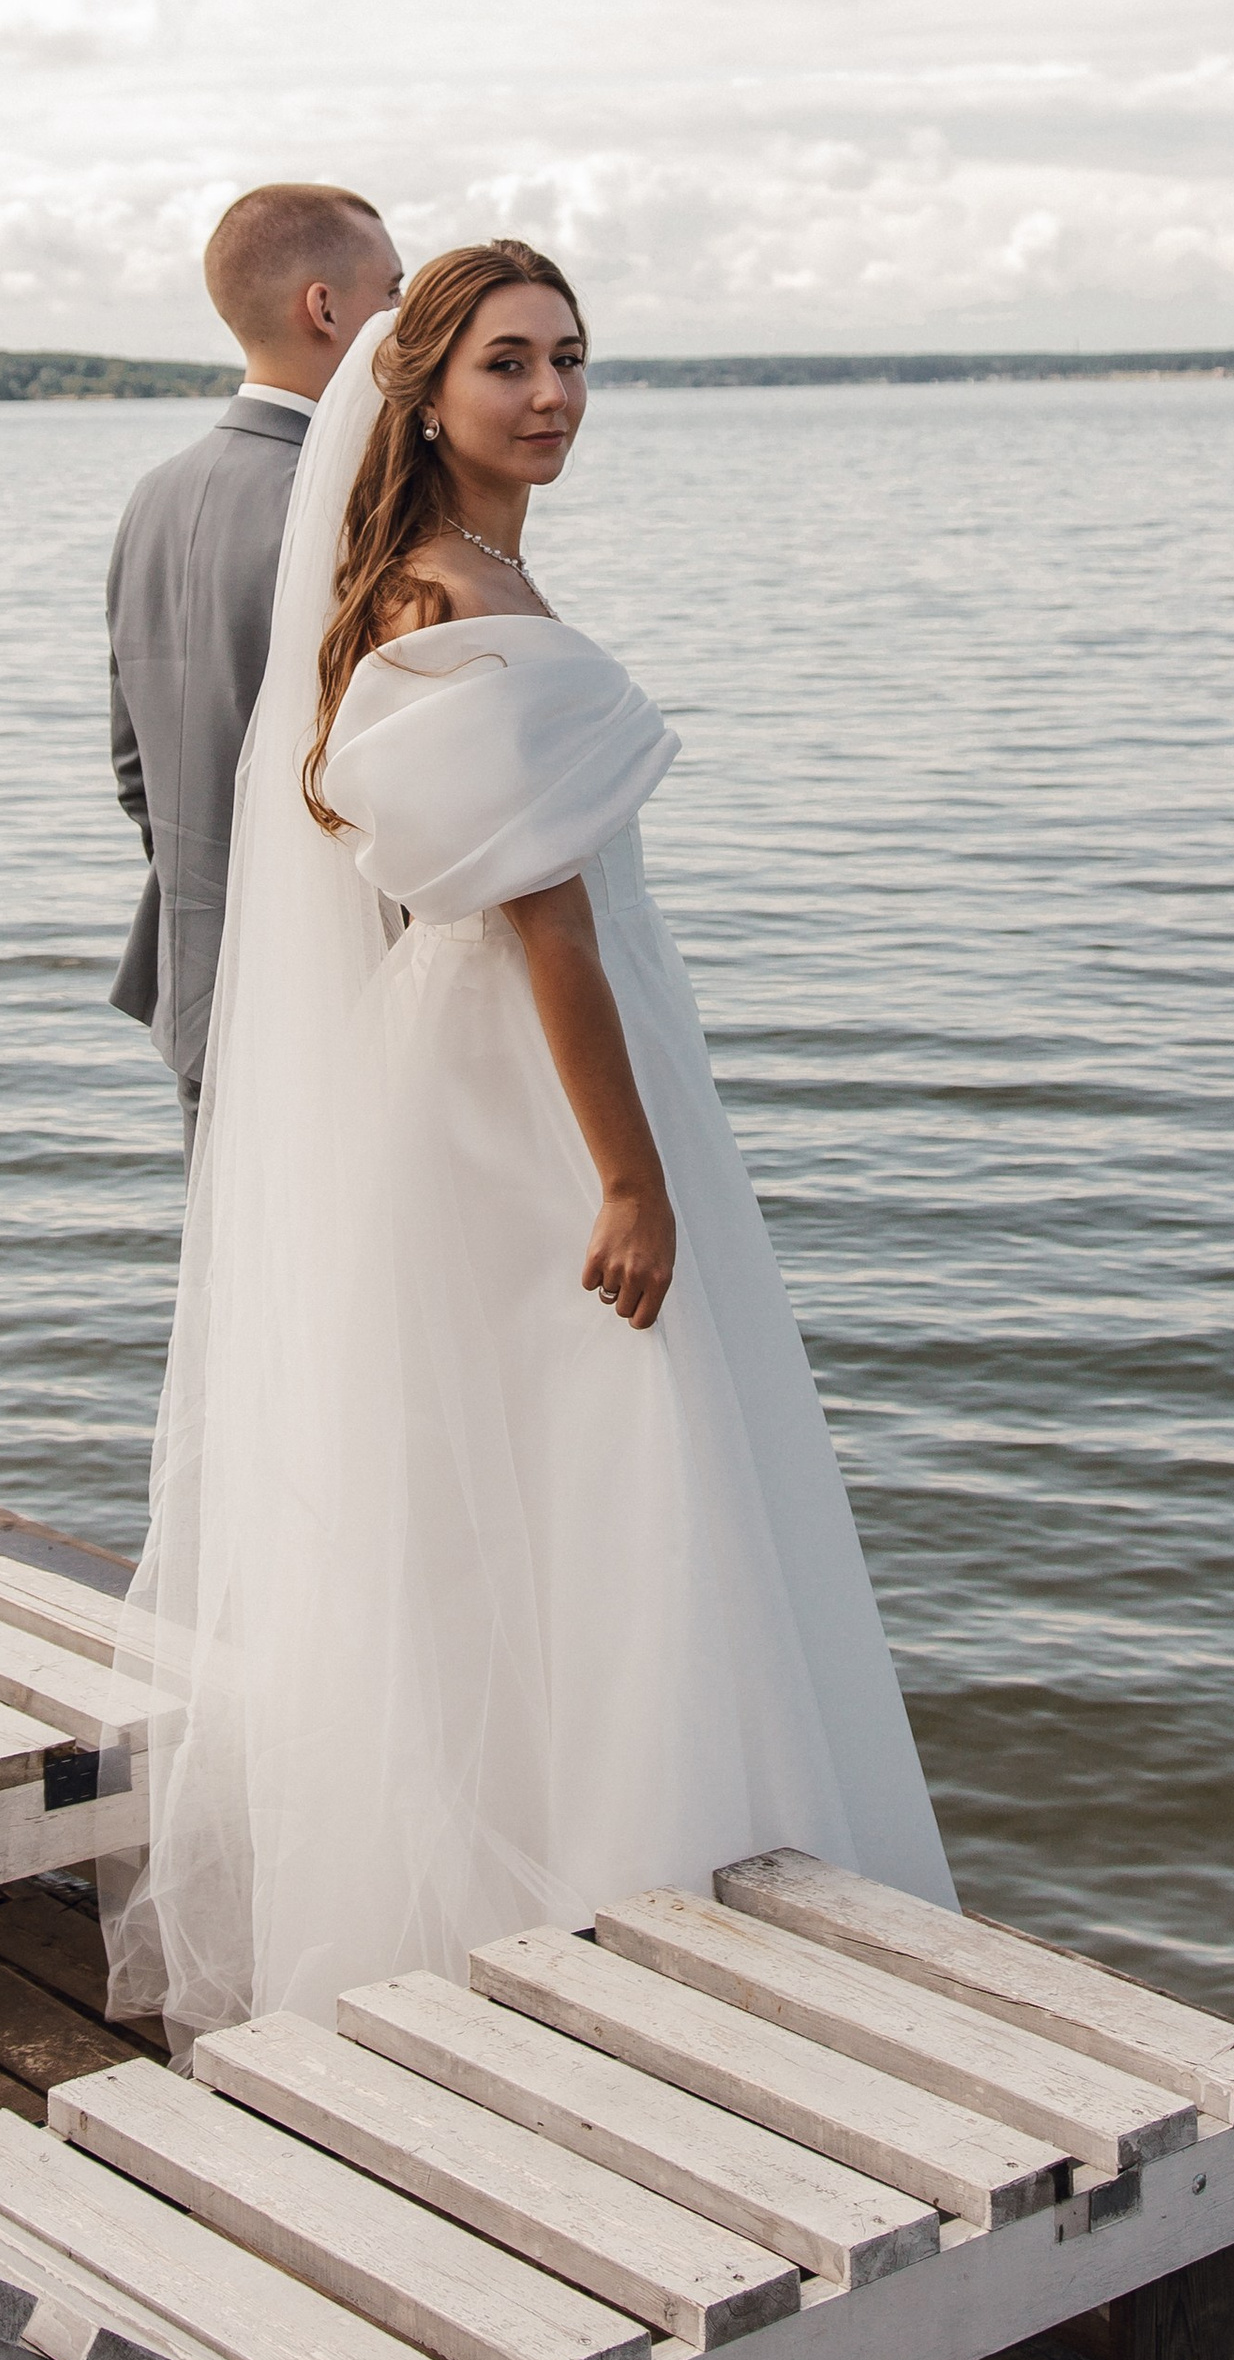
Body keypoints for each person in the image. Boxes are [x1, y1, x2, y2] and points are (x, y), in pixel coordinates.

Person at [108, 238, 951, 2040]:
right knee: (599, 1445)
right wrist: (631, 1177)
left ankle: (585, 1866)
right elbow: (544, 918)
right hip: (523, 1090)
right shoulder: (436, 597)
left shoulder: (463, 569)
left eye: (573, 356)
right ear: (423, 393)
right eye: (510, 362)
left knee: (539, 1476)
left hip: (486, 1061)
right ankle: (610, 1903)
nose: (555, 392)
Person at [106, 182, 403, 1154]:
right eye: (392, 296)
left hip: (195, 986)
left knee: (242, 1299)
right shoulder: (353, 512)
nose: (408, 327)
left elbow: (133, 768)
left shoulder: (154, 496)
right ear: (326, 310)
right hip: (336, 992)